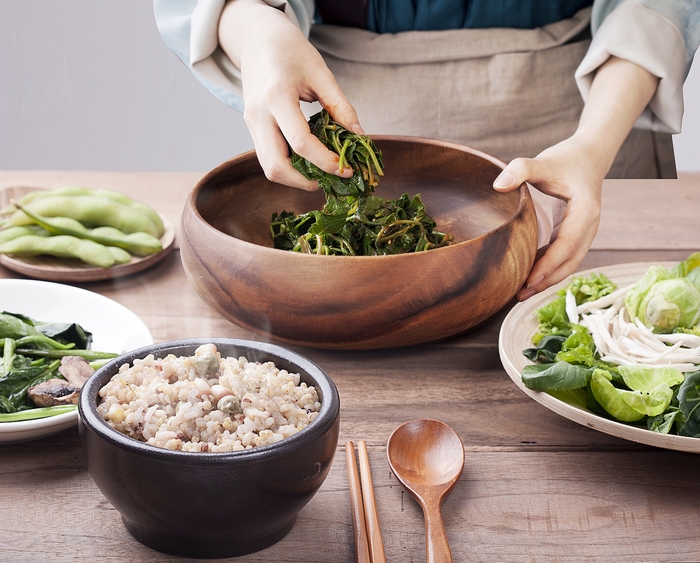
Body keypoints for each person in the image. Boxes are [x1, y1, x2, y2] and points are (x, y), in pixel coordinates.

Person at [154, 0, 700, 300]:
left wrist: (593, 146)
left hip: (591, 106)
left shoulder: (593, 137)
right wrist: (252, 27)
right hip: (343, 91)